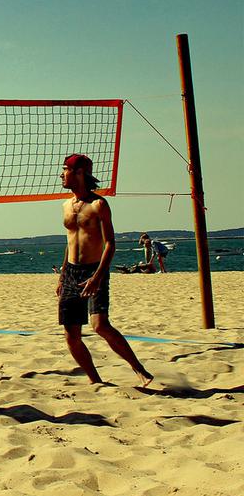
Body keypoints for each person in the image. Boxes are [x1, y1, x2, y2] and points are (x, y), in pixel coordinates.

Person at [56, 155, 151, 387]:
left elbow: (110, 243)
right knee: (71, 335)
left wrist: (97, 276)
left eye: (65, 169)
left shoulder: (99, 205)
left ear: (79, 173)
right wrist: (61, 276)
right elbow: (70, 243)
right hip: (71, 273)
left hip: (93, 270)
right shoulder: (65, 205)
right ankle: (96, 381)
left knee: (100, 326)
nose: (61, 174)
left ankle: (139, 370)